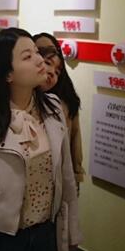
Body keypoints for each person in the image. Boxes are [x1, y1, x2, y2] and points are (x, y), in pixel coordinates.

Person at [0, 28, 81, 251]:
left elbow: (66, 176)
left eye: (37, 52)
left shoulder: (53, 108)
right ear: (7, 74)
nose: (39, 60)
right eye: (27, 56)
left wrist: (72, 228)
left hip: (45, 232)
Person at [33, 33, 85, 187]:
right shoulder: (17, 100)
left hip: (57, 183)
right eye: (46, 61)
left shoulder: (62, 104)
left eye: (57, 71)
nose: (51, 72)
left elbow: (73, 142)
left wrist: (76, 177)